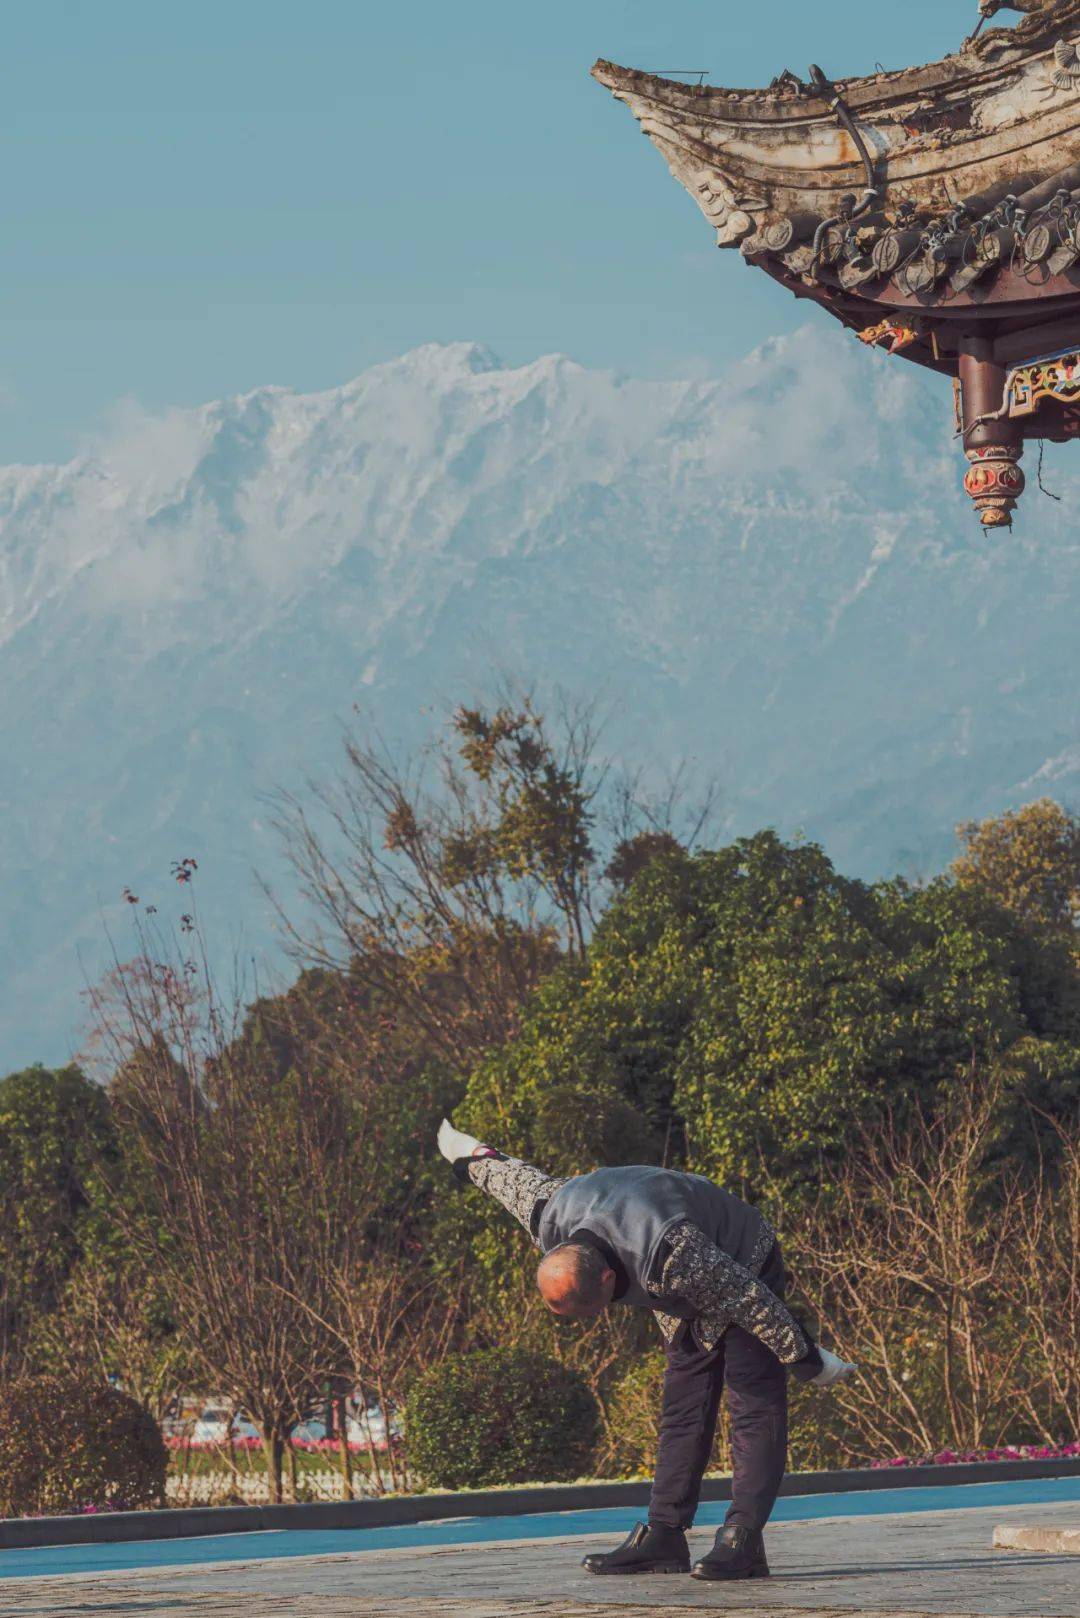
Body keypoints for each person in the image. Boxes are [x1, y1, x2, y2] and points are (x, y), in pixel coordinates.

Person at [437, 1119, 854, 1582]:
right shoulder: (547, 1214)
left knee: (752, 1398)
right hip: (676, 1278)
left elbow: (749, 1300)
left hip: (739, 1257)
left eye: (593, 1309)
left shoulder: (672, 1254)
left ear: (608, 1280)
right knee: (683, 1404)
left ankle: (743, 1540)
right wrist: (463, 1153)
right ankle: (665, 1534)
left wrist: (809, 1360)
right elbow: (501, 1172)